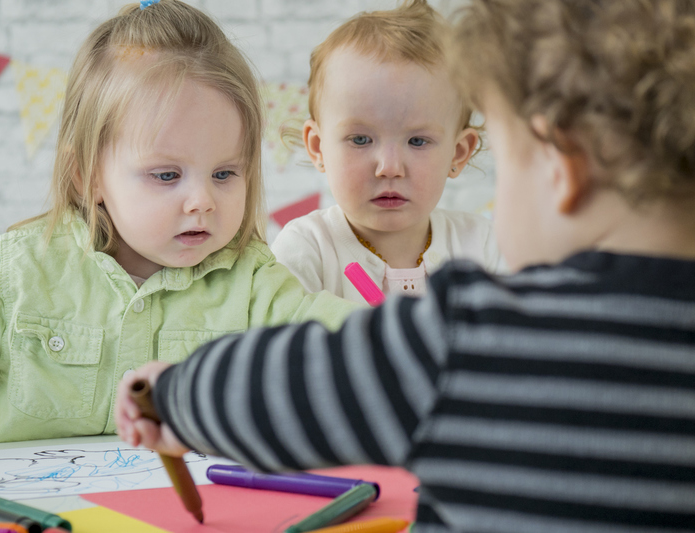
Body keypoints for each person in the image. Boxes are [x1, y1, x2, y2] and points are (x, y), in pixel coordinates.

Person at [115, 0, 695, 530]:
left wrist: (172, 395)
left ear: (561, 171)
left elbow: (290, 387)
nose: (389, 166)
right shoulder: (309, 244)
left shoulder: (473, 336)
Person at [0, 0, 358, 445]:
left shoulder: (255, 284)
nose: (202, 201)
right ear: (88, 176)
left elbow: (345, 350)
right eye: (167, 175)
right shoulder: (18, 270)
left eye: (224, 173)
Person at [270, 0, 504, 305]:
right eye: (360, 139)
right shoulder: (306, 249)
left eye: (418, 141)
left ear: (458, 153)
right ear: (318, 148)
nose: (390, 168)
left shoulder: (481, 245)